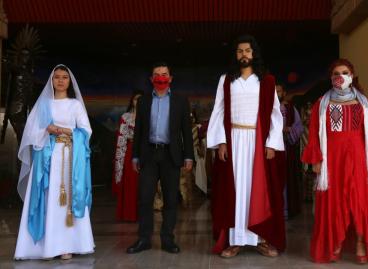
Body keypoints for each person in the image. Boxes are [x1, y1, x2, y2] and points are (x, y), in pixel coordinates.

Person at [207, 35, 286, 258]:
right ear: (236, 55)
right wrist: (221, 141)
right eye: (240, 51)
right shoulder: (226, 80)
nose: (244, 54)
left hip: (257, 142)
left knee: (257, 190)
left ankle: (260, 239)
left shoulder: (267, 81)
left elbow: (275, 114)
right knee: (235, 191)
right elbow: (219, 111)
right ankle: (236, 240)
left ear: (254, 54)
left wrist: (271, 142)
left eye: (248, 51)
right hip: (233, 140)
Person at [302, 59, 368, 264]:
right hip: (332, 160)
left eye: (345, 72)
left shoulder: (364, 103)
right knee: (334, 201)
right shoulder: (321, 105)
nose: (340, 76)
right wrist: (316, 160)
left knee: (360, 201)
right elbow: (314, 134)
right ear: (331, 78)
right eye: (336, 73)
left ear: (352, 75)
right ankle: (335, 243)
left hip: (359, 159)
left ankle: (360, 243)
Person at [14, 64, 94, 260]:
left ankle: (67, 245)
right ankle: (44, 247)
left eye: (64, 77)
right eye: (56, 77)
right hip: (47, 158)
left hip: (69, 157)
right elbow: (31, 133)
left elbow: (86, 131)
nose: (60, 80)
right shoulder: (43, 105)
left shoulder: (75, 105)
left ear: (69, 81)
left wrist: (63, 130)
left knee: (66, 200)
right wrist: (46, 130)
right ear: (51, 80)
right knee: (48, 197)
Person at [126, 62, 194, 254]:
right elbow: (138, 131)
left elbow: (186, 132)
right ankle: (144, 239)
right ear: (151, 79)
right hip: (148, 154)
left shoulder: (181, 100)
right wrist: (135, 156)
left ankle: (167, 239)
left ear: (170, 78)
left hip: (171, 155)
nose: (161, 77)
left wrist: (188, 156)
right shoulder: (144, 101)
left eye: (164, 74)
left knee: (171, 199)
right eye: (157, 74)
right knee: (145, 198)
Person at [112, 90, 143, 221]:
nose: (138, 102)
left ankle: (143, 216)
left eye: (141, 100)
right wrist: (120, 157)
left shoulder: (150, 117)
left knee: (143, 184)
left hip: (145, 152)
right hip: (130, 151)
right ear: (132, 101)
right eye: (136, 99)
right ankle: (128, 214)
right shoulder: (126, 117)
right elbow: (121, 138)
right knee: (130, 182)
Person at [275, 83, 304, 218]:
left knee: (287, 178)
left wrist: (289, 130)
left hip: (287, 148)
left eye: (279, 91)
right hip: (271, 150)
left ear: (284, 93)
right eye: (274, 91)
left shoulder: (291, 109)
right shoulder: (268, 108)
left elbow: (299, 127)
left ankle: (286, 210)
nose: (276, 93)